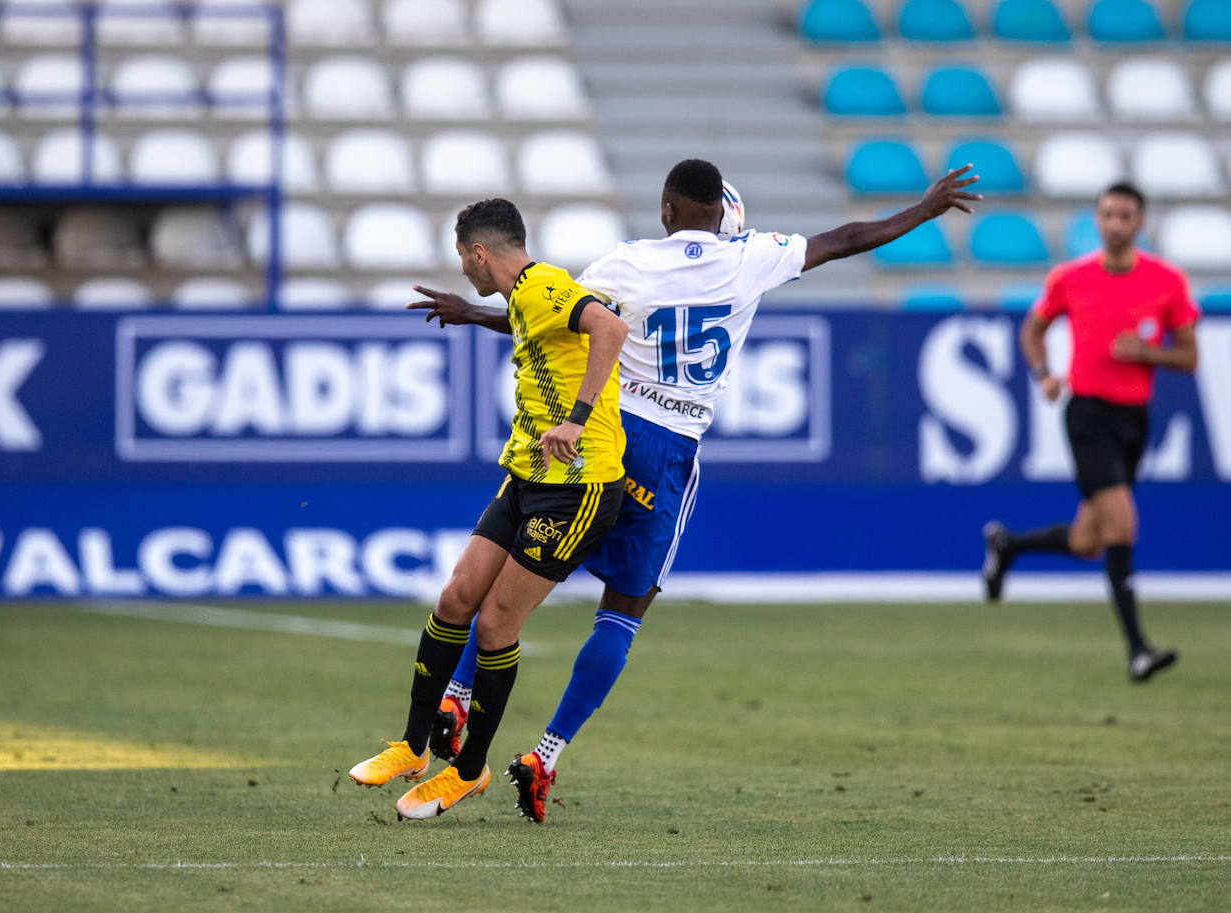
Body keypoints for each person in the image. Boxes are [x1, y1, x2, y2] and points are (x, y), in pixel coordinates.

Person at [410, 159, 983, 820]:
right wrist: (925, 207)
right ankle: (545, 752)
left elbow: (552, 316)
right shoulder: (752, 259)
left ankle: (456, 689)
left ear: (666, 210)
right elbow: (849, 238)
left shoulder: (627, 263)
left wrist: (472, 311)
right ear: (724, 217)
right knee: (623, 611)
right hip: (670, 454)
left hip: (608, 437)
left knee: (517, 570)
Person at [347, 198, 630, 820]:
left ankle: (467, 772)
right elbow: (535, 327)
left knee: (497, 624)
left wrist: (578, 422)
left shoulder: (547, 285)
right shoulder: (525, 297)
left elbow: (609, 328)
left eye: (463, 262)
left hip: (578, 485)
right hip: (528, 471)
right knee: (455, 599)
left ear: (479, 254)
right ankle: (413, 747)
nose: (466, 272)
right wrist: (473, 314)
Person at [982, 182, 1199, 683]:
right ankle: (1139, 650)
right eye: (1106, 214)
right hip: (1087, 415)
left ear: (1140, 223)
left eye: (1125, 215)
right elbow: (1032, 330)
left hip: (1133, 421)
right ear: (1097, 220)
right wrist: (1044, 375)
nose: (1115, 224)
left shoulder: (1166, 282)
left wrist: (1149, 354)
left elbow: (1190, 357)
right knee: (1122, 526)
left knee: (1087, 541)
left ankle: (1007, 545)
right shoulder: (1070, 278)